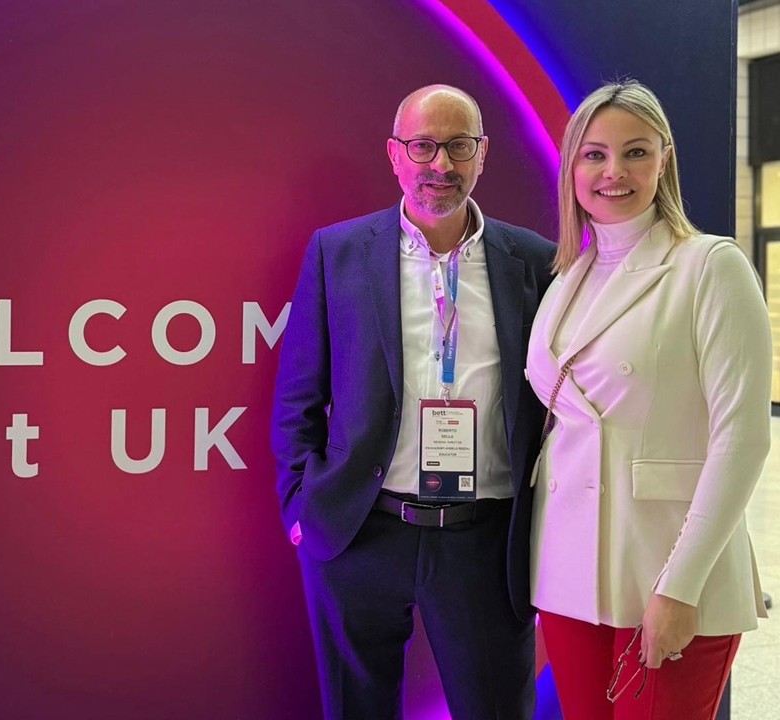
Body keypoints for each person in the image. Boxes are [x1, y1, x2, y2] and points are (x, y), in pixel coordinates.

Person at [271, 84, 557, 720]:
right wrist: (301, 503)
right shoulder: (338, 253)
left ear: (483, 154)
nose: (442, 165)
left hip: (485, 540)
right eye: (423, 146)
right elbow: (297, 395)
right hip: (361, 530)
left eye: (459, 146)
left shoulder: (535, 262)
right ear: (394, 154)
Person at [526, 80, 771, 720]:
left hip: (669, 570)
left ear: (664, 160)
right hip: (571, 575)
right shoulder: (567, 279)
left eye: (635, 152)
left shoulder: (710, 266)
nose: (614, 171)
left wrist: (680, 586)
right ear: (572, 167)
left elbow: (742, 439)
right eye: (595, 154)